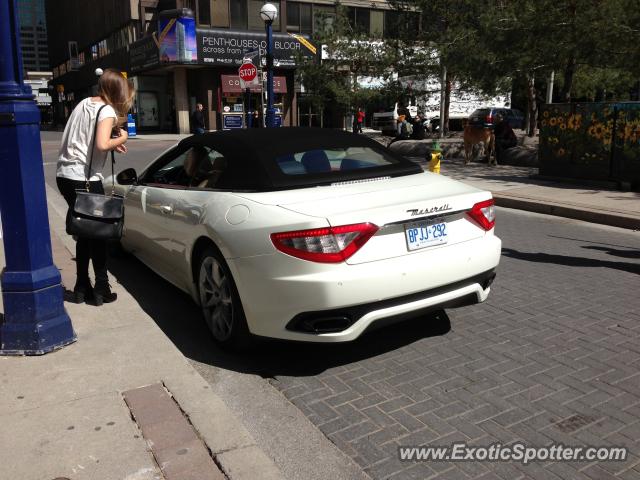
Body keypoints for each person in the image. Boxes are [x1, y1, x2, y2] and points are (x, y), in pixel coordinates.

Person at [56, 69, 134, 305]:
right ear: (118, 92)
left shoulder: (83, 104)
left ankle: (82, 287)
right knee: (98, 234)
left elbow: (86, 139)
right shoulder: (108, 110)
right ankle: (101, 288)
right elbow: (101, 143)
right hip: (85, 178)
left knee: (85, 233)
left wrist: (111, 144)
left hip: (65, 176)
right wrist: (122, 138)